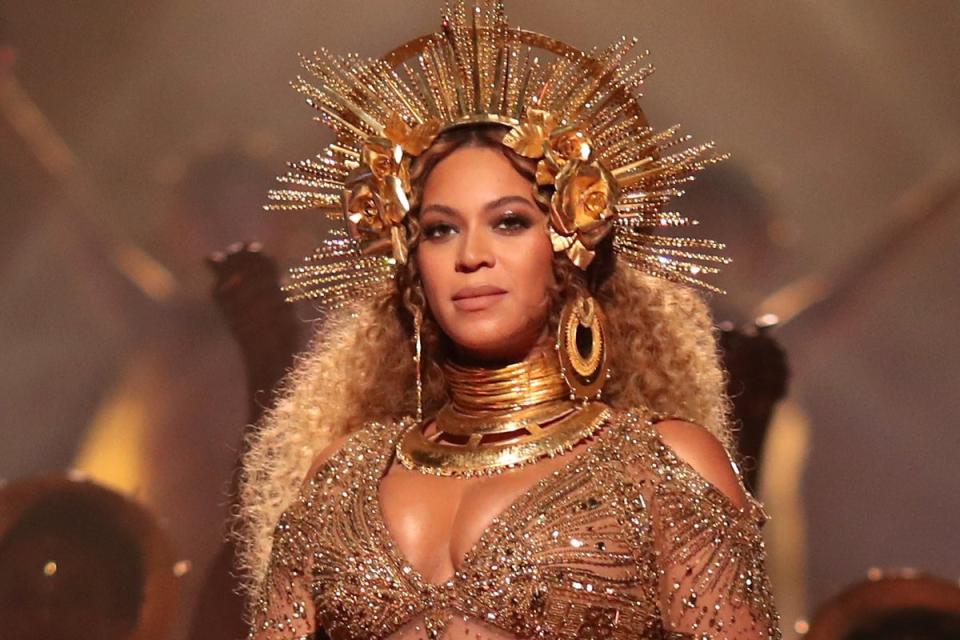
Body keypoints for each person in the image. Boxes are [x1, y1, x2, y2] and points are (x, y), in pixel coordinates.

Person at [236, 2, 781, 638]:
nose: (471, 256)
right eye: (440, 230)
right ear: (412, 265)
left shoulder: (657, 465)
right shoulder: (341, 477)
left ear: (569, 248)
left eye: (509, 222)